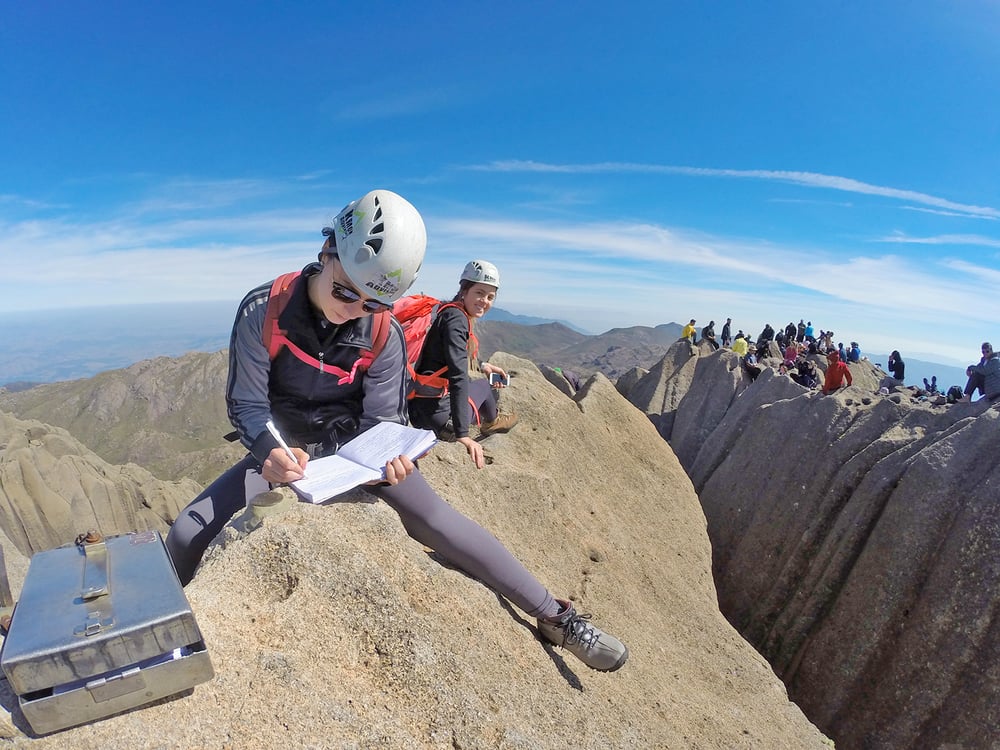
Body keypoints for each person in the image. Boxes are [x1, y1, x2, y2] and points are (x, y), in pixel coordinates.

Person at [165, 189, 627, 673]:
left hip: (354, 451)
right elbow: (247, 404)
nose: (353, 308)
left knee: (439, 521)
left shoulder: (383, 332)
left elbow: (384, 417)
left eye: (372, 302)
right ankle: (165, 645)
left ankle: (557, 616)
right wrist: (269, 451)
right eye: (345, 290)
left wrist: (391, 453)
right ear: (327, 253)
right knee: (186, 533)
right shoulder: (266, 309)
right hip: (286, 450)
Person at [408, 260, 518, 468]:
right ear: (464, 289)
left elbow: (449, 357)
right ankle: (491, 423)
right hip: (438, 422)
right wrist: (462, 435)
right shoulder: (457, 320)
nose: (484, 301)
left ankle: (486, 417)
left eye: (490, 297)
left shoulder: (446, 311)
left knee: (479, 381)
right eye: (479, 292)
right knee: (485, 386)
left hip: (417, 408)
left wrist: (483, 365)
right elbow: (458, 376)